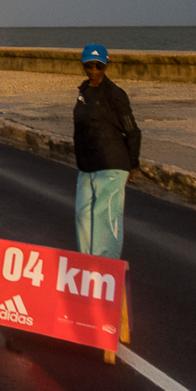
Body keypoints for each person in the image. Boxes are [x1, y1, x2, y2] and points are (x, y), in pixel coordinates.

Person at [74, 44, 141, 259]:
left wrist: (132, 164)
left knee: (105, 216)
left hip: (112, 164)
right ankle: (86, 263)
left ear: (106, 65)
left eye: (99, 65)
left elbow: (133, 131)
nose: (94, 69)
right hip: (87, 165)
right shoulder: (83, 91)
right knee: (83, 214)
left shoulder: (116, 95)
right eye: (89, 65)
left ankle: (105, 270)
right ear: (83, 65)